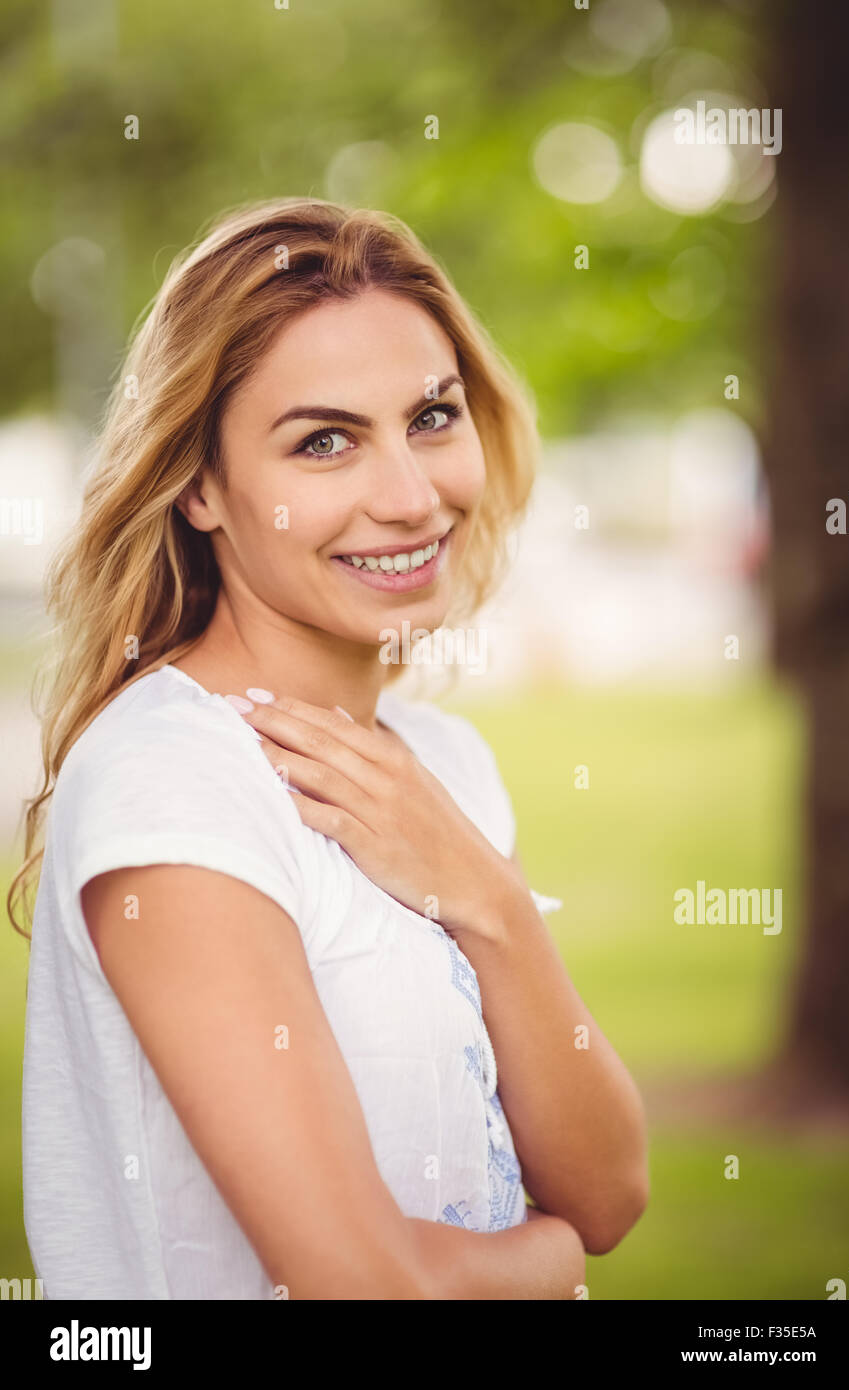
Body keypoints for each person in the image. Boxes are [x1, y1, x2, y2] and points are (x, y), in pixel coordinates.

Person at [11, 197, 648, 1299]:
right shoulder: (176, 784)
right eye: (323, 441)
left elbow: (606, 1189)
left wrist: (483, 896)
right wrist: (544, 1265)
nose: (409, 497)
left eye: (432, 418)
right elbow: (364, 1285)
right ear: (199, 486)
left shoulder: (441, 767)